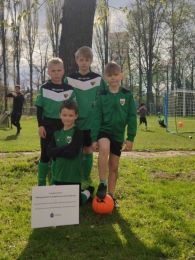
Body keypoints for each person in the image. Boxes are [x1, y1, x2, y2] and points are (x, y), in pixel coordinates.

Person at [91, 61, 137, 208]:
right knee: (104, 148)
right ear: (105, 78)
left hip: (119, 134)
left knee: (114, 166)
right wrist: (94, 139)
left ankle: (110, 196)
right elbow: (96, 118)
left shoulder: (127, 95)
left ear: (121, 76)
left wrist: (130, 138)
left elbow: (131, 117)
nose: (113, 78)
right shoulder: (102, 96)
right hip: (104, 131)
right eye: (110, 75)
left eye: (116, 75)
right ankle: (102, 184)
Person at [64, 46, 107, 189]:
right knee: (74, 151)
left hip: (90, 122)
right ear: (76, 60)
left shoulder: (98, 79)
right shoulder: (69, 79)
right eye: (81, 60)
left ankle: (86, 177)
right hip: (73, 123)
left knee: (88, 150)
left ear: (91, 61)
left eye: (87, 60)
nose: (84, 63)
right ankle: (75, 176)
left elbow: (104, 99)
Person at [35, 58, 76, 186]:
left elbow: (73, 108)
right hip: (47, 125)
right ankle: (41, 184)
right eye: (53, 71)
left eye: (59, 70)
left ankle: (54, 184)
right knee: (45, 154)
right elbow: (39, 109)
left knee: (58, 156)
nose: (56, 73)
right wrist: (40, 126)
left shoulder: (69, 89)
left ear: (63, 71)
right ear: (48, 73)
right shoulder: (44, 88)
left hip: (64, 125)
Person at [47, 100, 95, 206]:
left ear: (76, 116)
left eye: (70, 115)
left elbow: (72, 154)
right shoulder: (57, 133)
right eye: (64, 115)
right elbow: (49, 152)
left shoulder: (78, 132)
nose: (67, 118)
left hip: (73, 175)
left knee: (76, 203)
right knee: (59, 202)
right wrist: (67, 147)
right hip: (59, 175)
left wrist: (58, 151)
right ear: (60, 115)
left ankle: (89, 190)